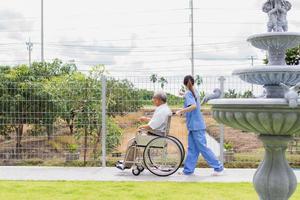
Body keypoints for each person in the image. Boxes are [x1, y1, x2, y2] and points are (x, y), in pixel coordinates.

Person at [176, 75, 224, 176]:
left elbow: (193, 106)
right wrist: (183, 94)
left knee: (202, 148)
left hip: (196, 126)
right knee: (192, 149)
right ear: (193, 83)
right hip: (195, 126)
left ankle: (218, 167)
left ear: (184, 84)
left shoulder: (190, 93)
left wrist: (181, 111)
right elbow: (190, 97)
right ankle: (188, 171)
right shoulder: (194, 91)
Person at [116, 91, 172, 170]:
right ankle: (127, 162)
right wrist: (146, 119)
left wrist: (141, 127)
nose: (153, 101)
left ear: (159, 100)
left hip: (156, 136)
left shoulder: (161, 111)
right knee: (134, 141)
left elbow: (151, 126)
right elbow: (157, 121)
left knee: (134, 142)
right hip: (159, 134)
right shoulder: (165, 109)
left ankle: (127, 164)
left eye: (154, 99)